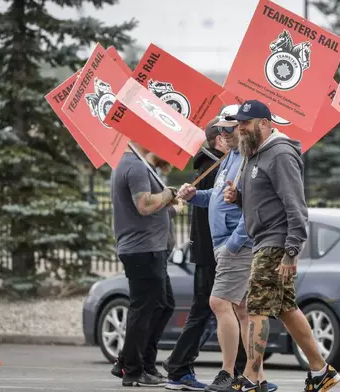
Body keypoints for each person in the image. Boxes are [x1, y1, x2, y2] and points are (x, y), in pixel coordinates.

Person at [222, 100, 340, 392]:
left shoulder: (281, 154)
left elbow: (295, 205)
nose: (239, 129)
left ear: (264, 123)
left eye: (244, 124)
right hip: (263, 239)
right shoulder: (253, 154)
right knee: (286, 307)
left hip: (276, 242)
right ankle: (321, 371)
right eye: (238, 124)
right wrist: (237, 197)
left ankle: (250, 377)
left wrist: (291, 250)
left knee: (257, 307)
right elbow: (265, 198)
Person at [175, 110, 278, 392]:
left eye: (228, 131)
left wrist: (235, 242)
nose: (222, 136)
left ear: (243, 129)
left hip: (236, 245)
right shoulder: (230, 158)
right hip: (225, 244)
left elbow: (255, 206)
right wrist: (195, 195)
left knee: (219, 303)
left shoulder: (247, 159)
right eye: (220, 131)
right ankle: (257, 379)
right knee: (243, 310)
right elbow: (218, 197)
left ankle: (228, 373)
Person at [163, 114, 245, 390]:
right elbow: (218, 207)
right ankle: (179, 366)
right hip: (213, 249)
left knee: (225, 308)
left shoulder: (224, 164)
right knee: (210, 308)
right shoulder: (213, 166)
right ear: (217, 139)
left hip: (210, 248)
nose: (229, 137)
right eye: (224, 134)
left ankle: (240, 370)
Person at [109, 142, 179, 387]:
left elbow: (150, 206)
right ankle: (133, 369)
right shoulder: (135, 167)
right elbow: (144, 205)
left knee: (163, 304)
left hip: (150, 249)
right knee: (144, 309)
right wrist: (168, 193)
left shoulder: (134, 165)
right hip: (143, 250)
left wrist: (169, 203)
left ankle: (136, 362)